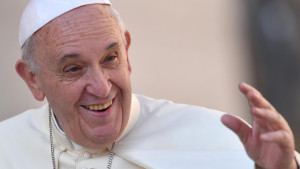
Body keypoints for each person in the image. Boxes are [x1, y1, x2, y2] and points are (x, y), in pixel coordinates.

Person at [0, 0, 298, 168]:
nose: (102, 88)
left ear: (127, 53)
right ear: (33, 79)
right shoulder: (6, 147)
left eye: (110, 59)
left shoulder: (214, 139)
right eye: (74, 69)